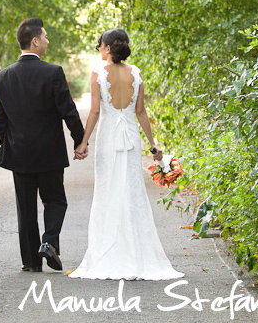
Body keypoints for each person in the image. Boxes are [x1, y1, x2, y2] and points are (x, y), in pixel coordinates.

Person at [69, 28, 183, 280]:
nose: (98, 49)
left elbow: (96, 112)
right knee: (132, 192)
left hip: (109, 137)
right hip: (131, 137)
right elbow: (141, 112)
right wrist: (154, 146)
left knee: (108, 190)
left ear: (108, 47)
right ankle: (137, 254)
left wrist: (83, 143)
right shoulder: (136, 73)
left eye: (99, 45)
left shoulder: (98, 73)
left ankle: (108, 252)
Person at [0, 18, 86, 273]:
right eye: (44, 37)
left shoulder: (2, 78)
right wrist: (80, 140)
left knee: (25, 208)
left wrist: (9, 143)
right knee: (55, 200)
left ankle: (31, 262)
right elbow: (68, 110)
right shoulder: (53, 72)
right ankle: (49, 242)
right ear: (35, 41)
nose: (47, 40)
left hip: (19, 154)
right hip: (50, 153)